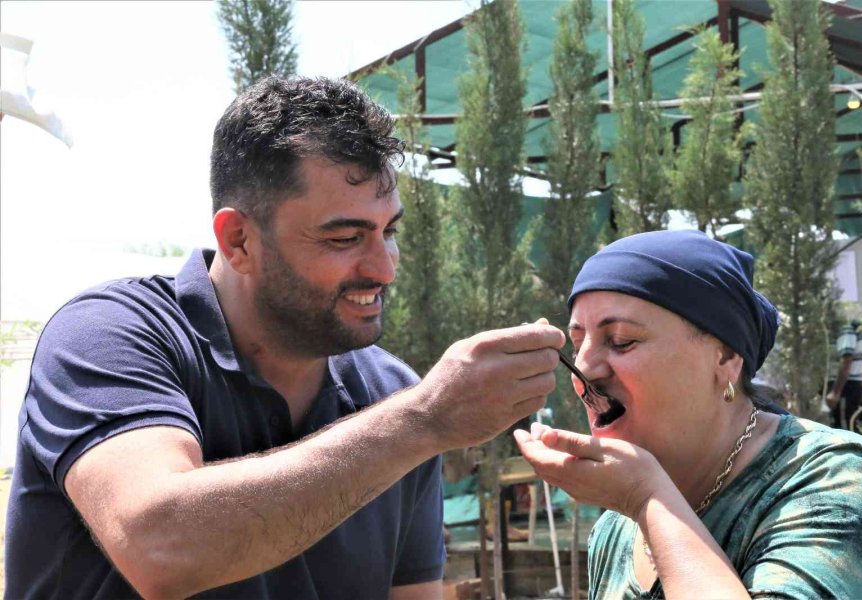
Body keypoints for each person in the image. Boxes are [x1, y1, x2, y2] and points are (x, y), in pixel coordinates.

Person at [5, 76, 565, 600]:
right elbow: (158, 544)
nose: (385, 267)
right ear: (239, 239)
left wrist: (418, 419)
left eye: (388, 231)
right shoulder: (110, 334)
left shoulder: (393, 393)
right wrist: (424, 421)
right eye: (345, 237)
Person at [514, 230, 862, 599]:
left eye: (621, 341)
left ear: (726, 357)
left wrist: (647, 498)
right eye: (578, 344)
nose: (585, 370)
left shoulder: (840, 481)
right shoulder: (615, 529)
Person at [826, 319, 862, 431]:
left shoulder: (846, 331)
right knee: (847, 425)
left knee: (844, 429)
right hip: (852, 385)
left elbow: (846, 360)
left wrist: (835, 393)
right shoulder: (853, 331)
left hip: (846, 387)